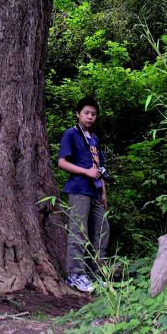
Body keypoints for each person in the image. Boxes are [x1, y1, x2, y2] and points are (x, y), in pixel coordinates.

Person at [57, 96, 109, 293]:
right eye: (86, 113)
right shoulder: (71, 134)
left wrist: (103, 191)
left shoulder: (94, 139)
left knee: (102, 230)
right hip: (79, 188)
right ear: (78, 114)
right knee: (79, 230)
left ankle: (96, 273)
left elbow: (100, 167)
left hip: (95, 191)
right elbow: (62, 162)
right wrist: (85, 171)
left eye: (93, 114)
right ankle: (74, 275)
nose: (90, 117)